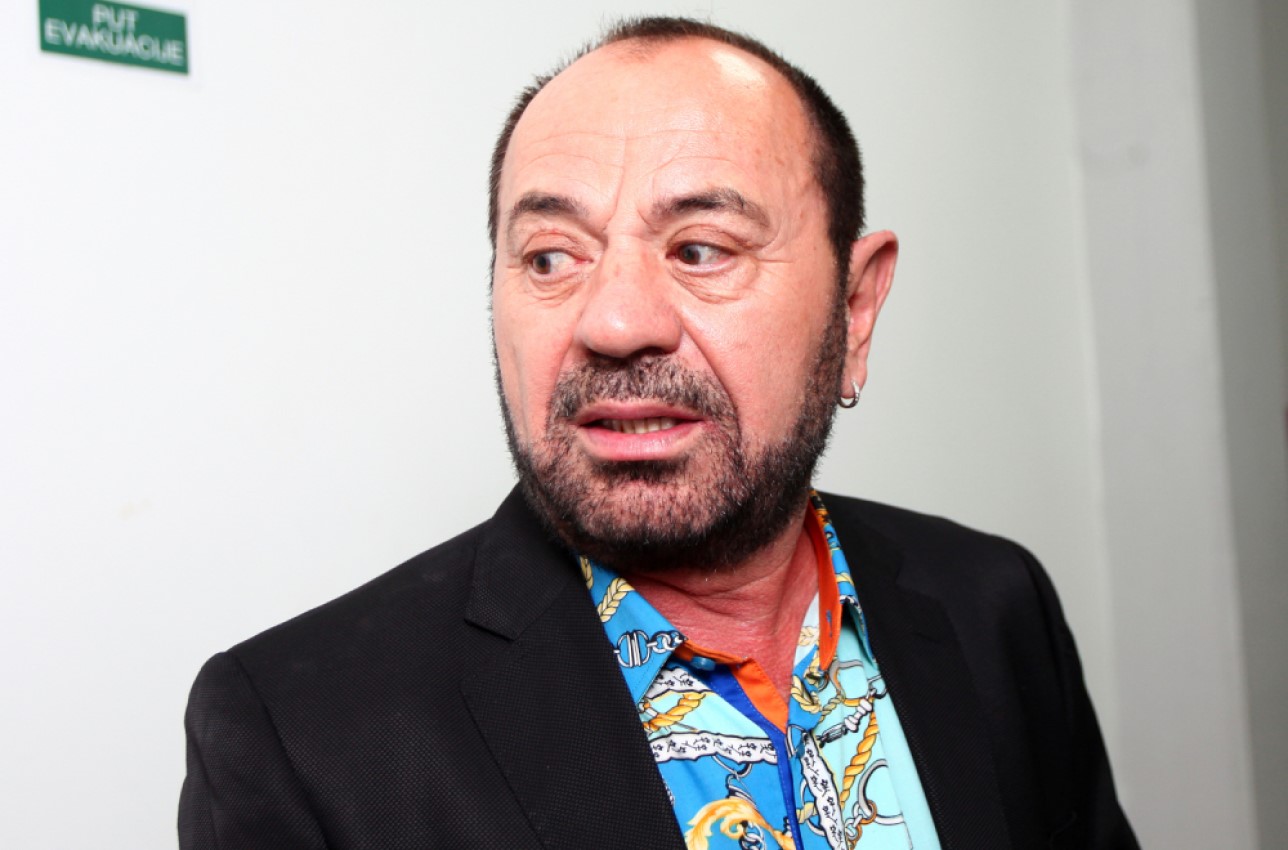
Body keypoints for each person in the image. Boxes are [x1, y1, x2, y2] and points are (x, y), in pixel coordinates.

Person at [179, 16, 1137, 850]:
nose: (614, 321)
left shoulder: (992, 608)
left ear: (854, 309)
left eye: (701, 249)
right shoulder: (303, 735)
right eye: (551, 257)